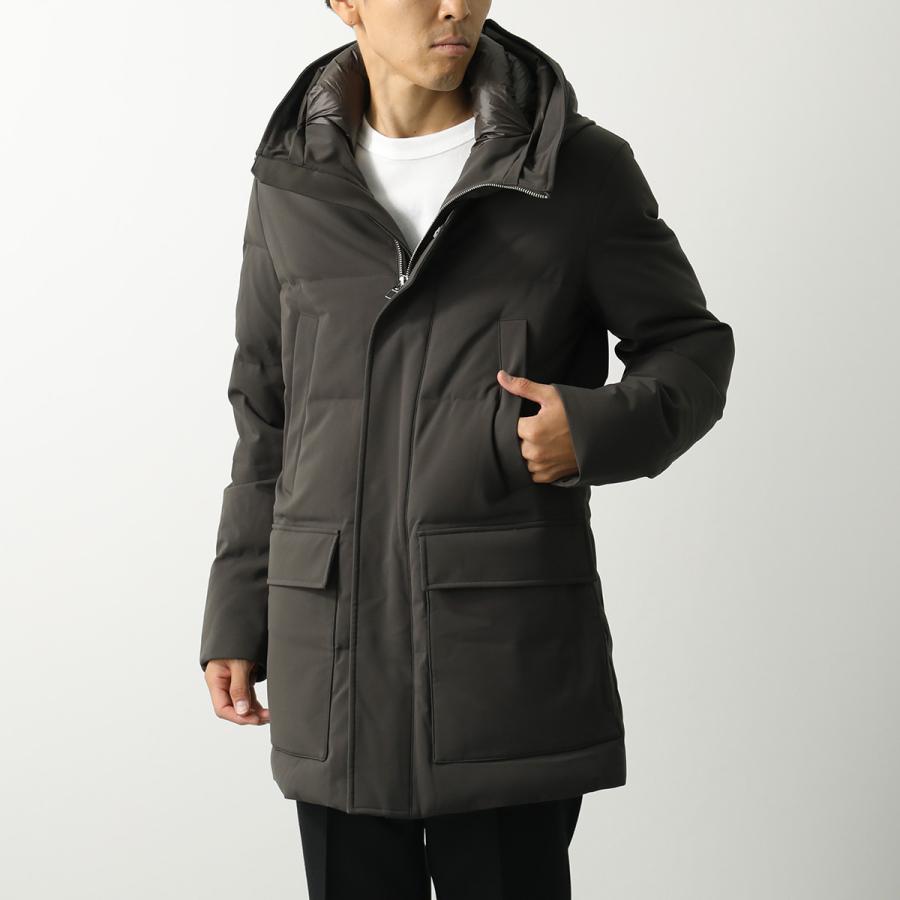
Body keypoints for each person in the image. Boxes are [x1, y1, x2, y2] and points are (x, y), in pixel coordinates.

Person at [199, 2, 736, 897]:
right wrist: (237, 610)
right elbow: (266, 409)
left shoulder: (575, 169)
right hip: (331, 658)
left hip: (499, 660)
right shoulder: (291, 178)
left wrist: (592, 428)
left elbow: (691, 348)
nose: (456, 6)